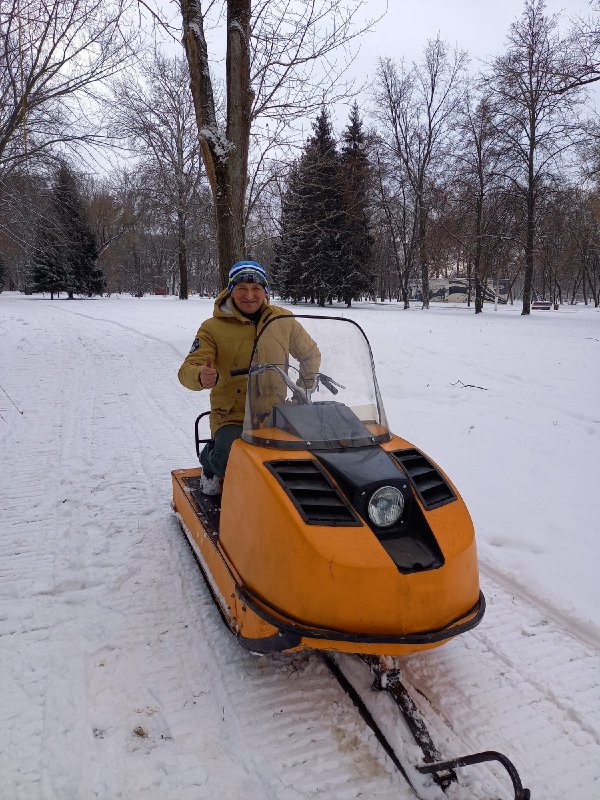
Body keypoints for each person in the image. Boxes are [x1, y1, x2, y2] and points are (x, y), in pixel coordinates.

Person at [178, 261, 320, 495]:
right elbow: (187, 369)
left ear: (265, 291)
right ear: (230, 290)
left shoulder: (282, 320)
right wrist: (201, 376)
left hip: (276, 411)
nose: (249, 295)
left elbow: (310, 354)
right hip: (232, 415)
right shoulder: (212, 327)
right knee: (228, 459)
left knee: (310, 452)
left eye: (256, 289)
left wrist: (302, 392)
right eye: (242, 288)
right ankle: (209, 462)